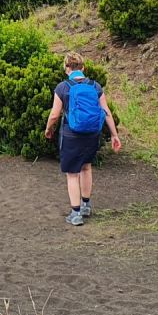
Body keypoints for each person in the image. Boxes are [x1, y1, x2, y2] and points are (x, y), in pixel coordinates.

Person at [43, 52, 122, 226]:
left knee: (72, 174)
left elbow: (55, 114)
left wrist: (49, 129)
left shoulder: (63, 87)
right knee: (86, 167)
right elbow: (106, 112)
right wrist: (114, 135)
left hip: (71, 134)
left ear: (66, 69)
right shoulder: (95, 86)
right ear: (83, 68)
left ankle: (75, 213)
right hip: (93, 134)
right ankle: (86, 205)